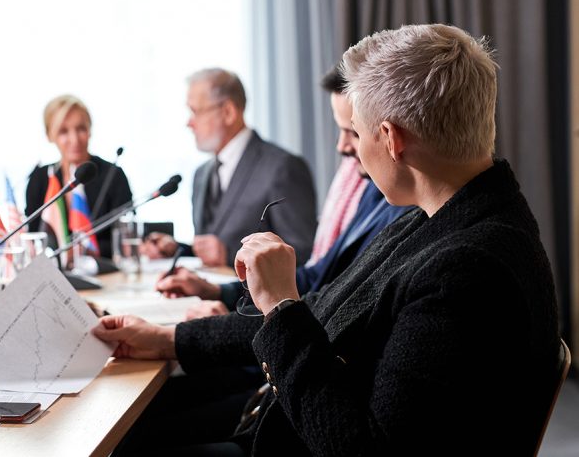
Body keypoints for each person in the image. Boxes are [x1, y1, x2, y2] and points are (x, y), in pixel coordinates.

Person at [94, 24, 561, 456]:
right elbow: (326, 307)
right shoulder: (443, 218)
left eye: (355, 132)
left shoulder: (466, 268)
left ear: (391, 139)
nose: (348, 148)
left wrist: (281, 307)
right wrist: (170, 339)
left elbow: (362, 449)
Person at [157, 67, 409, 321]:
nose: (341, 146)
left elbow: (306, 261)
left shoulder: (284, 167)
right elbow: (319, 275)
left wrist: (223, 324)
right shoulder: (371, 192)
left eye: (353, 132)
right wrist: (214, 290)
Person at [141, 68, 317, 267]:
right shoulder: (201, 174)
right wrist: (177, 249)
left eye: (195, 111)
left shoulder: (282, 167)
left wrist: (231, 255)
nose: (189, 123)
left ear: (228, 112)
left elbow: (303, 255)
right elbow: (212, 252)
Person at [26, 94, 132, 260]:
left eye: (81, 129)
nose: (74, 139)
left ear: (90, 130)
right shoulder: (40, 179)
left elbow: (125, 238)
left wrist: (83, 251)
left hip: (106, 272)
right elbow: (32, 238)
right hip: (53, 272)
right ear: (49, 135)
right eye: (63, 131)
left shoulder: (113, 175)